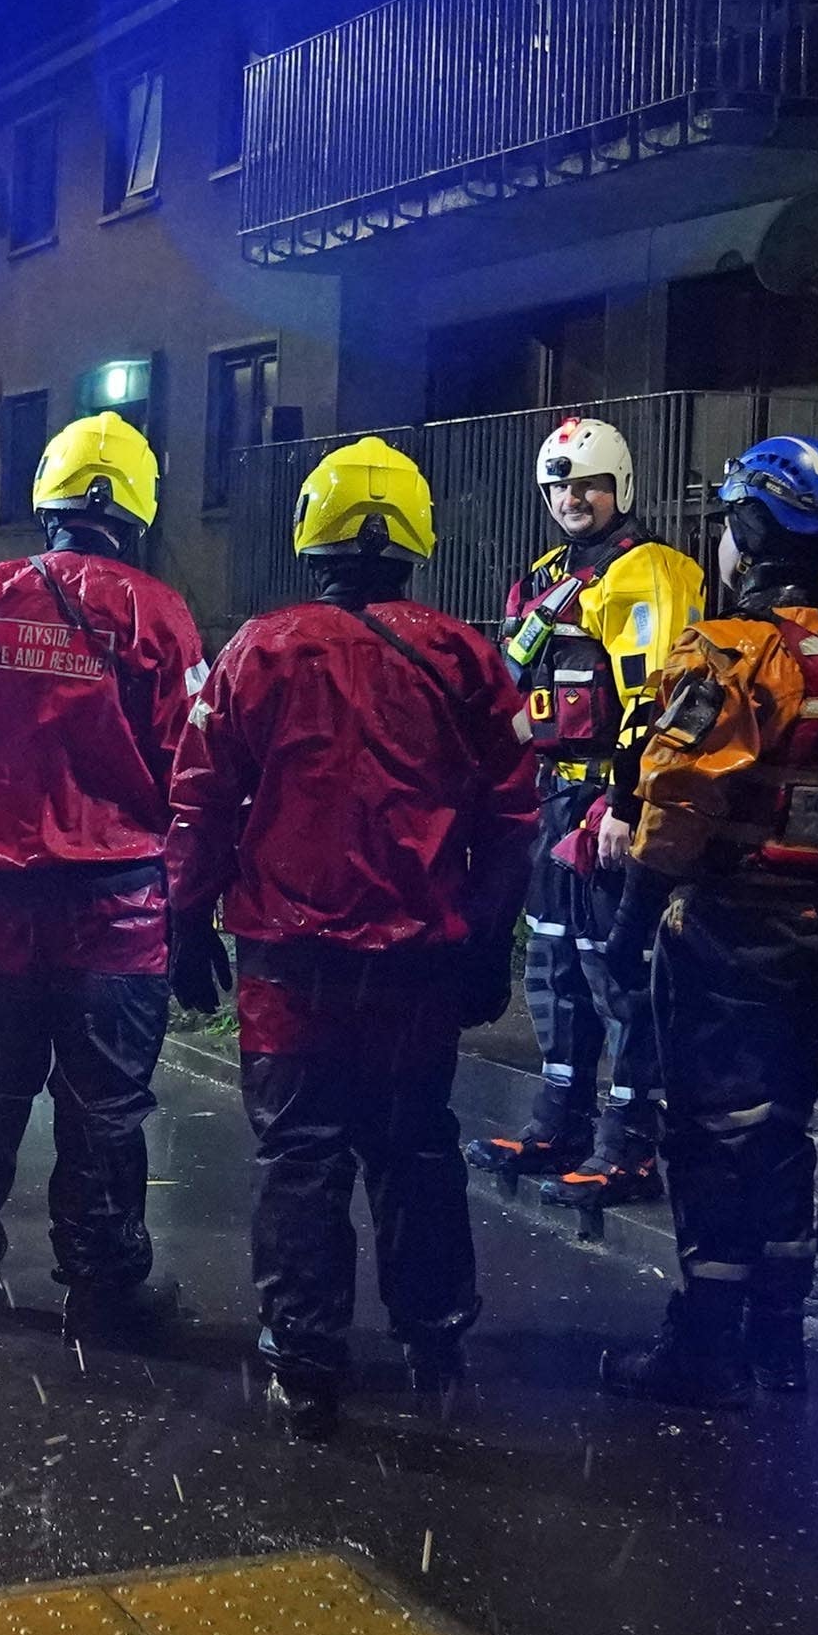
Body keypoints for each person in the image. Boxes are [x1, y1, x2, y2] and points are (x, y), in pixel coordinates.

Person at [167, 438, 536, 1438]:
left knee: (300, 1156)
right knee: (415, 1148)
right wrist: (488, 940)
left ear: (309, 534)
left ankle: (306, 1360)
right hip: (417, 964)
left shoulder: (261, 649)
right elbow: (511, 815)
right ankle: (432, 1337)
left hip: (289, 966)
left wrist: (182, 920)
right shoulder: (465, 657)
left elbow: (201, 802)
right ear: (413, 536)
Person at [596, 434, 818, 1408]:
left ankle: (701, 1350)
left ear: (749, 529)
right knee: (779, 1136)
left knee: (707, 1134)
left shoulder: (732, 656)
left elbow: (679, 801)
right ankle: (780, 1349)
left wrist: (631, 924)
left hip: (725, 933)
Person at [0, 414, 205, 1336]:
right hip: (117, 913)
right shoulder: (156, 612)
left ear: (47, 494)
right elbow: (191, 766)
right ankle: (102, 1283)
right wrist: (193, 908)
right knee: (106, 1110)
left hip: (0, 904)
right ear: (138, 506)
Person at [466, 417, 704, 1209]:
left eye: (588, 484)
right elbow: (517, 696)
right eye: (560, 485)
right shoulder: (545, 575)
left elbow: (658, 701)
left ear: (620, 487)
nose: (572, 497)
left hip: (606, 799)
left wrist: (625, 803)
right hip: (550, 794)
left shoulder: (649, 572)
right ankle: (556, 1125)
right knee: (555, 968)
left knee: (618, 975)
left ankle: (629, 1149)